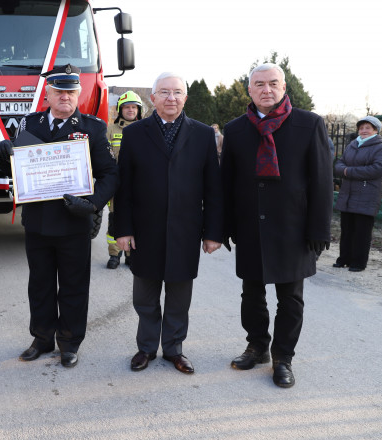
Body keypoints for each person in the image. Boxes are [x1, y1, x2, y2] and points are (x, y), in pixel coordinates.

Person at [0, 64, 118, 368]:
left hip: (73, 222)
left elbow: (110, 174)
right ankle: (42, 337)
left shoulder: (93, 128)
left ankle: (69, 342)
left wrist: (91, 205)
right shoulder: (29, 123)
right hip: (36, 223)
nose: (65, 96)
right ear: (47, 94)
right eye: (58, 91)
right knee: (40, 284)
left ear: (78, 93)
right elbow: (18, 170)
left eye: (71, 91)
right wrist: (2, 152)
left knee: (74, 286)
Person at [221, 62, 332, 388]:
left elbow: (323, 182)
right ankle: (257, 346)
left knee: (290, 298)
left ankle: (284, 357)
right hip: (251, 226)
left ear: (284, 88)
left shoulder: (309, 124)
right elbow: (226, 181)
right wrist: (225, 225)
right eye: (259, 84)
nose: (266, 89)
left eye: (272, 83)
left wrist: (319, 229)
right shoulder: (236, 129)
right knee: (251, 293)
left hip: (294, 229)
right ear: (249, 89)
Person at [113, 72, 223, 375]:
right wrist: (122, 229)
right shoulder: (135, 134)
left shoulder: (202, 134)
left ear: (185, 98)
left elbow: (214, 187)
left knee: (179, 295)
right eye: (164, 92)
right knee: (144, 296)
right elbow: (124, 187)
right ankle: (146, 348)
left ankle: (174, 349)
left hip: (185, 230)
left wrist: (213, 232)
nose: (171, 97)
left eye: (177, 92)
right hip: (144, 229)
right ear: (153, 98)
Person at [333, 115, 382, 272]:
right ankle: (343, 259)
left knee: (362, 231)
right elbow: (339, 164)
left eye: (367, 128)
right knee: (346, 229)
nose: (363, 130)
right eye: (361, 128)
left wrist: (348, 171)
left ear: (375, 130)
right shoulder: (352, 145)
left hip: (367, 194)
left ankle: (358, 262)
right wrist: (344, 169)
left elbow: (377, 169)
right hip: (348, 193)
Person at [105, 91, 142, 269]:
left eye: (134, 107)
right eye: (127, 107)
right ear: (120, 110)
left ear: (139, 110)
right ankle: (114, 254)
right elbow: (104, 155)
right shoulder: (111, 130)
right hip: (117, 184)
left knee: (136, 219)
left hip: (138, 184)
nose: (130, 110)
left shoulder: (145, 129)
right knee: (115, 219)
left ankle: (130, 253)